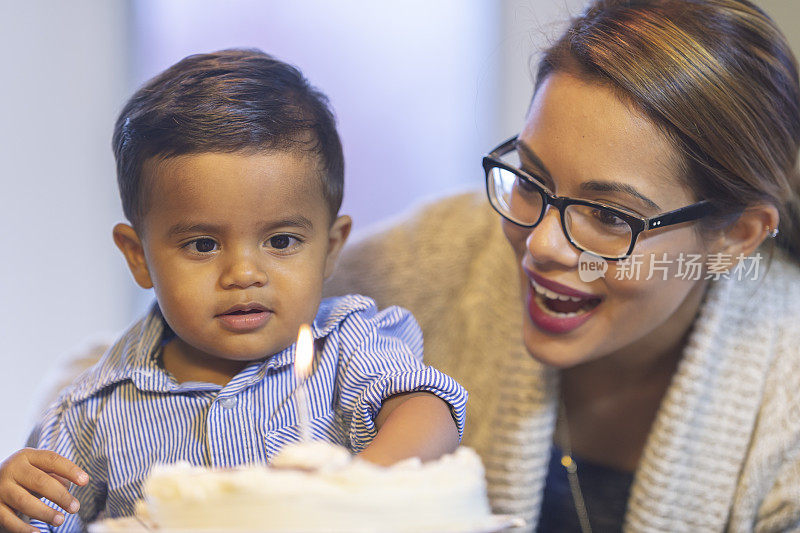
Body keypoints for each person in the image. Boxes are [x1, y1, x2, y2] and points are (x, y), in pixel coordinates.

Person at [323, 0, 800, 531]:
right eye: (530, 180)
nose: (542, 245)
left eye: (610, 215)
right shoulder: (437, 259)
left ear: (737, 237)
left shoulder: (787, 413)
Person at [0, 49, 466, 533]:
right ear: (138, 255)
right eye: (203, 244)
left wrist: (350, 492)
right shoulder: (90, 413)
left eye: (281, 241)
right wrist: (12, 504)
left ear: (330, 248)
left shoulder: (348, 348)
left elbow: (430, 412)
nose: (244, 273)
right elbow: (43, 519)